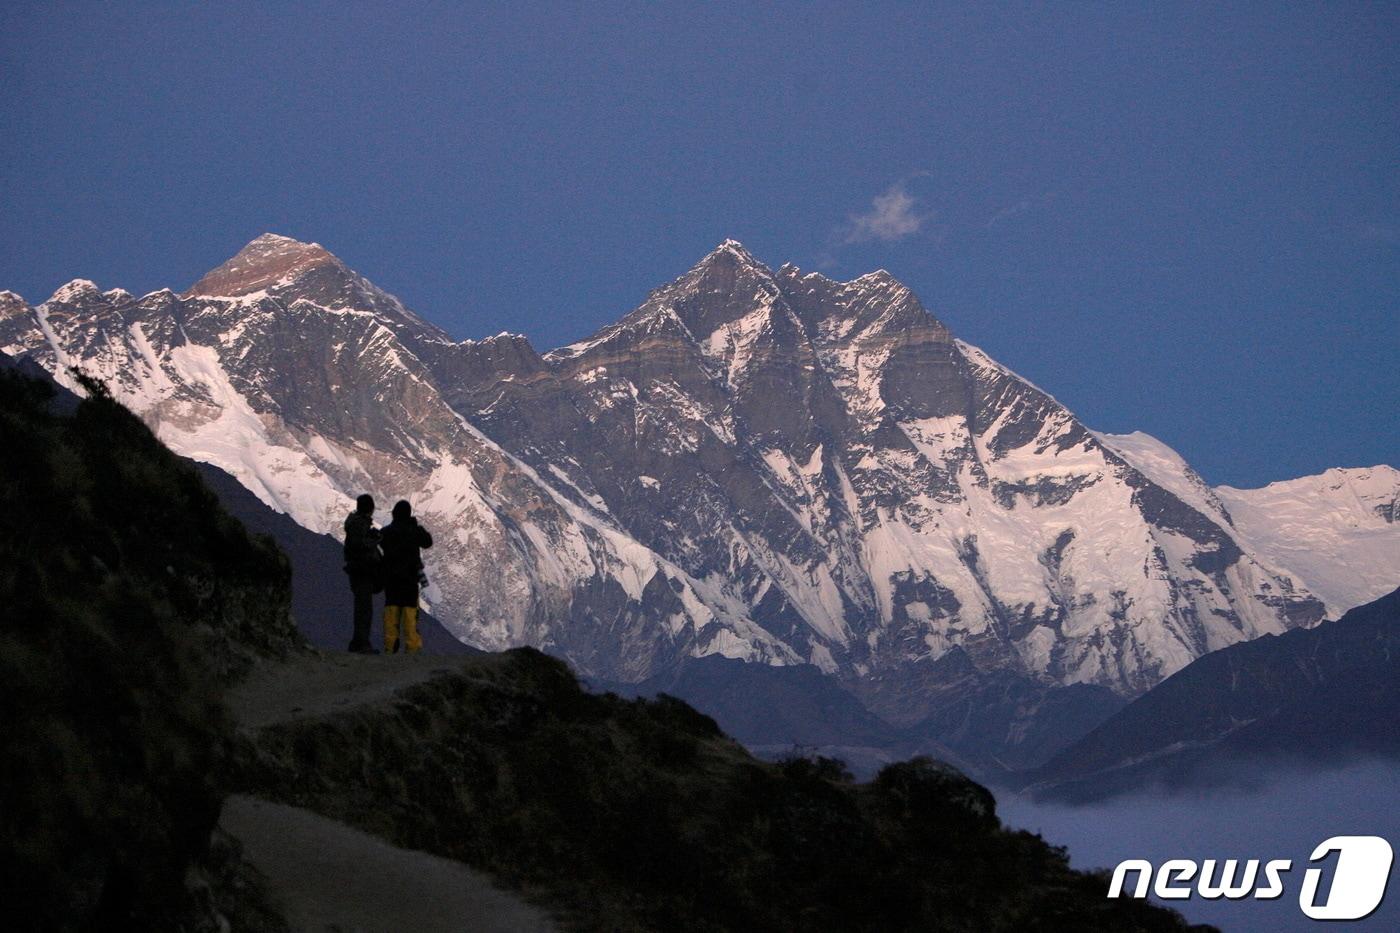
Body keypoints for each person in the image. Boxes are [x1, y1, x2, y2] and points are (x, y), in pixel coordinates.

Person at [380, 499, 433, 654]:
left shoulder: (386, 532)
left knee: (391, 615)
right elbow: (427, 542)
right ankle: (412, 649)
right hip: (410, 580)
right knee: (410, 616)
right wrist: (416, 527)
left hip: (391, 581)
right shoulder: (414, 531)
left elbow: (379, 543)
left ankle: (390, 647)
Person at [342, 493, 382, 654]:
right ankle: (361, 643)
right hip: (362, 570)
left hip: (359, 570)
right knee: (364, 609)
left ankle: (359, 642)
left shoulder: (356, 524)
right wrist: (375, 541)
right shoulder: (359, 525)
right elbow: (359, 545)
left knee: (362, 608)